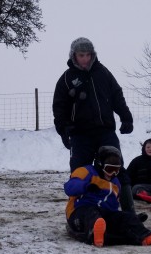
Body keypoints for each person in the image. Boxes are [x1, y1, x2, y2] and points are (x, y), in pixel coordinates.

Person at [53, 37, 138, 215]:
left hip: (105, 131)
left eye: (88, 55)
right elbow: (59, 106)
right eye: (81, 55)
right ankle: (77, 212)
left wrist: (126, 117)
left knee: (116, 167)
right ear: (74, 56)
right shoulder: (67, 78)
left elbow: (116, 95)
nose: (85, 58)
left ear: (93, 55)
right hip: (80, 134)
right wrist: (63, 129)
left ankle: (129, 212)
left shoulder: (103, 73)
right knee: (79, 172)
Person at [64, 146, 151, 247]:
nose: (112, 174)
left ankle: (145, 236)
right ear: (100, 165)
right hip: (78, 214)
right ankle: (95, 233)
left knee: (126, 216)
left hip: (102, 217)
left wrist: (122, 219)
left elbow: (112, 208)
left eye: (116, 170)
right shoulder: (86, 172)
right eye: (109, 169)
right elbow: (69, 188)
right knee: (91, 212)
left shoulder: (115, 183)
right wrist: (86, 186)